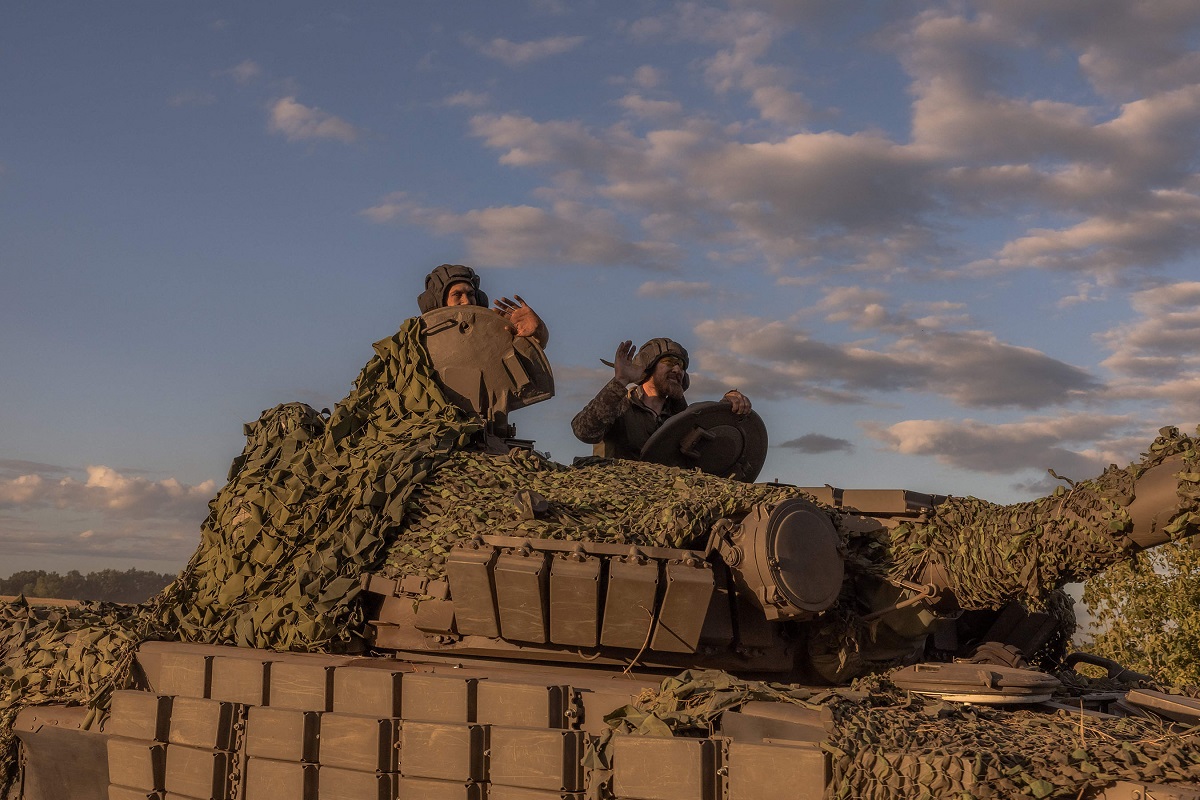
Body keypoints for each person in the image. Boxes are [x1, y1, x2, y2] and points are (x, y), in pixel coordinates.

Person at [572, 337, 751, 460]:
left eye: (681, 366)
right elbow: (584, 432)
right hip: (621, 499)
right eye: (670, 362)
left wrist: (729, 404)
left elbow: (711, 440)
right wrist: (620, 382)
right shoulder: (620, 405)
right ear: (648, 367)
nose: (678, 370)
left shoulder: (682, 417)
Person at [417, 263, 549, 347]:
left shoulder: (493, 336)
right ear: (438, 302)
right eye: (457, 295)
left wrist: (539, 331)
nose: (467, 301)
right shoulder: (418, 342)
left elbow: (529, 359)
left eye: (470, 294)